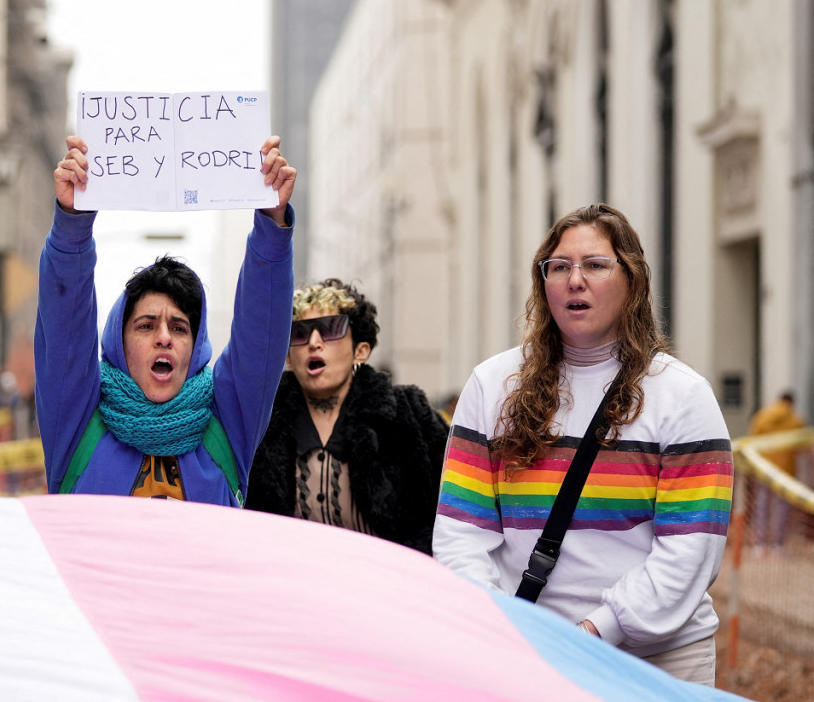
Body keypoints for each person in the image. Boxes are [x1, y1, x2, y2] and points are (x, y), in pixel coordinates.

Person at [433, 203, 733, 687]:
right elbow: (461, 533)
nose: (576, 280)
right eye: (559, 267)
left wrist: (596, 631)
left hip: (657, 662)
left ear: (632, 280)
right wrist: (501, 628)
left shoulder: (683, 397)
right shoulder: (491, 386)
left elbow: (689, 551)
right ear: (542, 283)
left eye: (595, 265)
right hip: (524, 656)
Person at [36, 134, 296, 505]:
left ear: (195, 347)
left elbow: (261, 331)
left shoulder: (227, 421)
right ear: (119, 344)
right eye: (145, 326)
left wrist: (273, 224)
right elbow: (64, 321)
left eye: (179, 327)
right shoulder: (77, 418)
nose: (164, 337)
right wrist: (72, 223)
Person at [246, 279, 448, 553]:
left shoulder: (408, 414)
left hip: (388, 584)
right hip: (294, 584)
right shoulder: (262, 423)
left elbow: (452, 512)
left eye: (330, 329)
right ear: (288, 358)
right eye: (299, 333)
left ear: (360, 351)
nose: (314, 343)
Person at [746, 391, 806, 553]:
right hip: (786, 472)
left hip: (764, 470)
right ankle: (778, 544)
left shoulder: (762, 416)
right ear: (792, 403)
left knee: (761, 506)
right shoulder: (796, 420)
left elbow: (752, 441)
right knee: (782, 509)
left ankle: (759, 544)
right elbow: (801, 448)